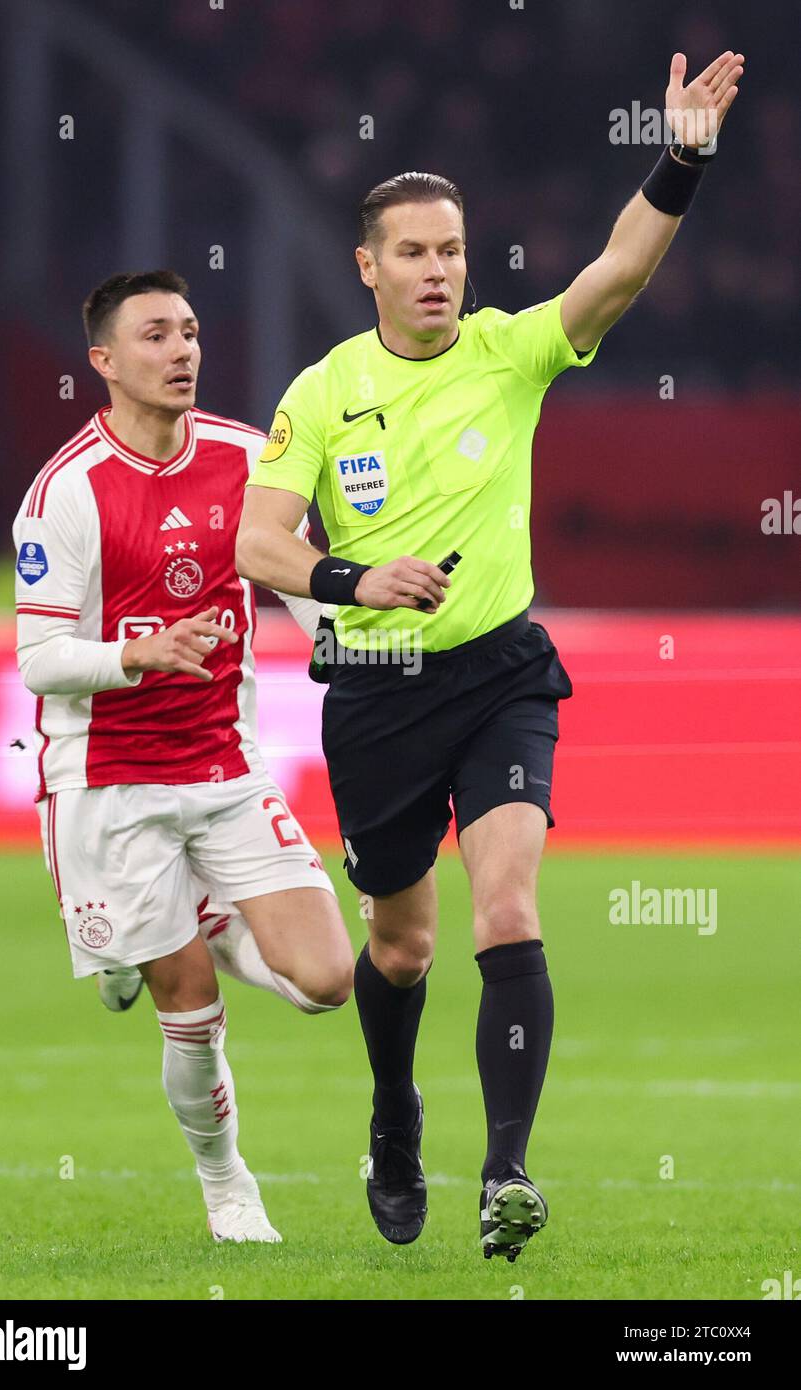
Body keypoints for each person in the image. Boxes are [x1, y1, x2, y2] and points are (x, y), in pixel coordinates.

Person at [235, 52, 745, 1261]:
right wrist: (356, 580)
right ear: (367, 267)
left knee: (505, 906)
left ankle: (505, 1172)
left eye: (450, 251)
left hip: (501, 674)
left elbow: (616, 272)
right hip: (373, 693)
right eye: (411, 253)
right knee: (400, 944)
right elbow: (260, 541)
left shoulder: (509, 354)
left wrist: (679, 154)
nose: (436, 272)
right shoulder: (322, 393)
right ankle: (394, 1117)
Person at [12, 270, 354, 1245]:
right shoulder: (65, 492)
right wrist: (136, 652)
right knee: (190, 1007)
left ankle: (179, 917)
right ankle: (225, 1184)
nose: (181, 350)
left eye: (191, 330)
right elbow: (38, 661)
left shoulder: (250, 458)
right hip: (108, 785)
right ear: (105, 362)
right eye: (156, 334)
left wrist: (341, 634)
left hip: (225, 770)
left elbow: (297, 578)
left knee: (329, 980)